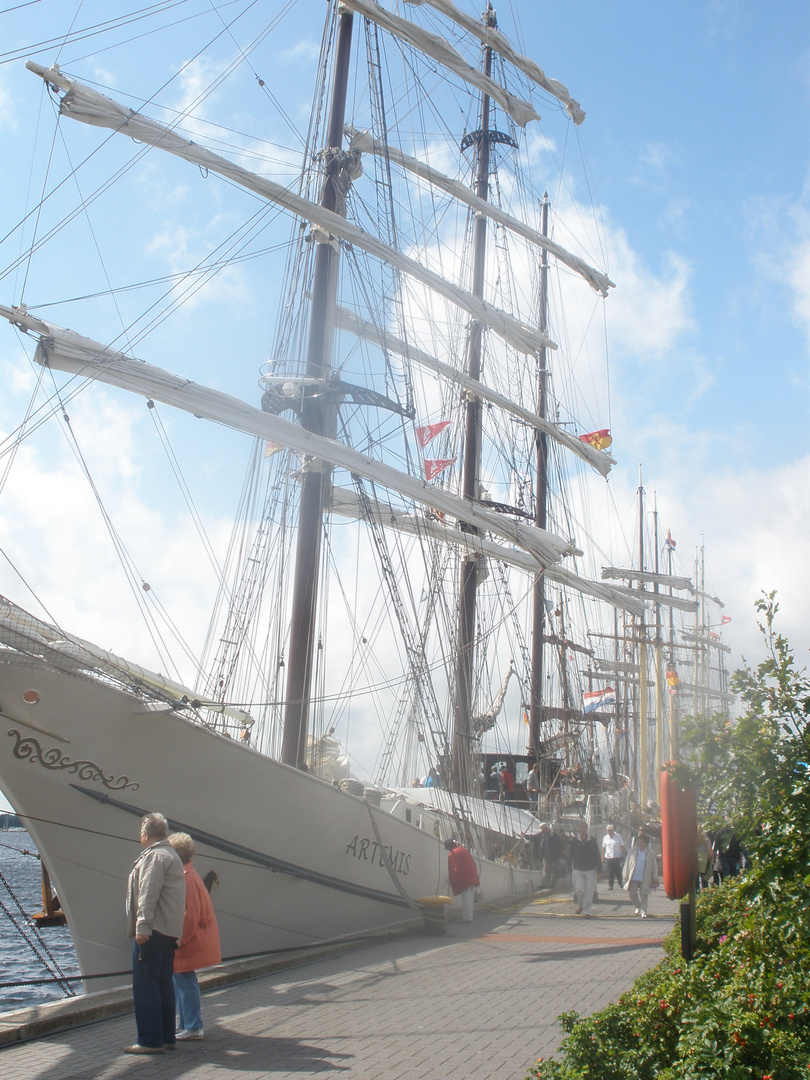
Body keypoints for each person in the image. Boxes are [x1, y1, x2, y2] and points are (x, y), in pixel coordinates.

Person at [125, 812, 186, 1055]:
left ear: (146, 834)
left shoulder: (155, 857)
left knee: (145, 986)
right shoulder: (171, 855)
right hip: (169, 931)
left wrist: (142, 927)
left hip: (153, 931)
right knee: (163, 984)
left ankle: (149, 1040)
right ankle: (166, 1037)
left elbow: (148, 893)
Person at [168, 832, 221, 1041]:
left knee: (184, 981)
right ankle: (186, 1024)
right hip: (191, 940)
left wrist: (177, 940)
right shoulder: (190, 875)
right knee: (182, 981)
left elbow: (189, 916)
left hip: (187, 942)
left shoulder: (185, 879)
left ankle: (192, 1025)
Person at [622, 831, 659, 917]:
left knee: (644, 894)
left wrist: (655, 877)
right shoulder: (632, 851)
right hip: (634, 875)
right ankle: (638, 906)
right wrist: (625, 874)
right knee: (632, 893)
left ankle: (643, 912)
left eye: (642, 841)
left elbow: (654, 866)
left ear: (646, 843)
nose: (640, 843)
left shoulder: (650, 853)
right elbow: (627, 863)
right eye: (639, 841)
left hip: (645, 876)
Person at [444, 838, 480, 922]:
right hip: (472, 877)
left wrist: (455, 881)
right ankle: (469, 916)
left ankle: (467, 918)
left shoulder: (453, 853)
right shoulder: (463, 850)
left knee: (466, 899)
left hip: (465, 879)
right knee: (470, 899)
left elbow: (455, 869)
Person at [570, 821, 601, 916]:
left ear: (586, 828)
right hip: (578, 869)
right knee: (580, 889)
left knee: (589, 891)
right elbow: (570, 855)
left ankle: (587, 911)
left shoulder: (592, 840)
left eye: (584, 827)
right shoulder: (575, 841)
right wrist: (568, 868)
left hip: (590, 869)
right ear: (579, 829)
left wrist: (599, 868)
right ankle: (580, 905)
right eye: (581, 827)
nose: (583, 829)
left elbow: (597, 855)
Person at [601, 824, 626, 890]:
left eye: (610, 831)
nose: (609, 832)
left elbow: (622, 846)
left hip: (616, 856)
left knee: (618, 871)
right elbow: (603, 847)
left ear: (613, 830)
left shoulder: (618, 836)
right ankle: (610, 885)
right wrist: (602, 857)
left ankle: (620, 883)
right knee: (610, 872)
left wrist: (625, 854)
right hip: (608, 857)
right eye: (608, 831)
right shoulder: (605, 837)